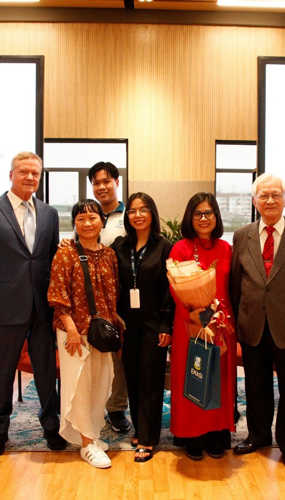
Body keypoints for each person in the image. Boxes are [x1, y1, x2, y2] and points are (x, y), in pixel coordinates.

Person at [0, 151, 66, 457]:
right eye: (23, 172)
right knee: (2, 369)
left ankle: (51, 426)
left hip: (42, 306)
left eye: (35, 173)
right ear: (10, 175)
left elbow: (52, 260)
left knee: (46, 369)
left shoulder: (49, 213)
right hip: (5, 306)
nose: (29, 177)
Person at [230, 173, 285, 470]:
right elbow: (236, 283)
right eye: (263, 195)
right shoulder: (242, 235)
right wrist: (236, 325)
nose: (270, 200)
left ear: (284, 199)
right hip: (252, 326)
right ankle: (258, 436)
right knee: (256, 386)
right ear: (254, 201)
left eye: (275, 195)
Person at [47, 199, 120, 469]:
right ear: (74, 224)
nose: (87, 223)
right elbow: (57, 295)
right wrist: (71, 330)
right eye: (80, 219)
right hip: (74, 331)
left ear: (102, 221)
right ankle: (87, 444)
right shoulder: (65, 253)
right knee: (79, 385)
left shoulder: (109, 255)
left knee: (99, 382)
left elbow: (113, 294)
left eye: (92, 218)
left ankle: (91, 434)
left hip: (101, 331)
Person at [169, 192, 236, 460]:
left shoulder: (226, 248)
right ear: (190, 217)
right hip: (190, 323)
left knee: (219, 380)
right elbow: (175, 289)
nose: (204, 218)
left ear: (216, 216)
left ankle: (217, 434)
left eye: (209, 213)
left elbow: (232, 287)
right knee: (193, 376)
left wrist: (221, 318)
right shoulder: (181, 248)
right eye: (198, 213)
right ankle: (192, 435)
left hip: (221, 324)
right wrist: (192, 314)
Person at [111, 193, 174, 463]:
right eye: (133, 211)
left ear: (152, 214)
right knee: (133, 377)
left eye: (144, 209)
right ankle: (140, 429)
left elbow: (169, 289)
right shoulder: (120, 245)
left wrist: (166, 324)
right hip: (127, 323)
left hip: (153, 321)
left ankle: (148, 438)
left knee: (150, 379)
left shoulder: (165, 246)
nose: (138, 215)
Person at [88, 161, 131, 433]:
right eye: (96, 183)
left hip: (121, 297)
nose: (101, 187)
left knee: (118, 354)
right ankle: (92, 407)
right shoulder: (88, 214)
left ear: (117, 182)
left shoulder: (128, 216)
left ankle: (116, 408)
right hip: (90, 298)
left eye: (106, 181)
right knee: (93, 353)